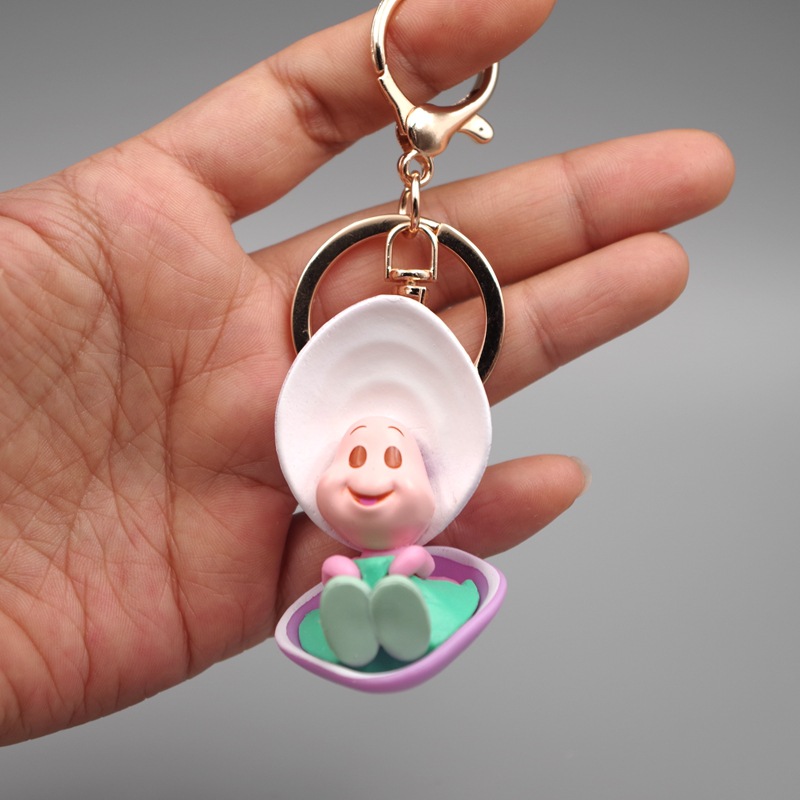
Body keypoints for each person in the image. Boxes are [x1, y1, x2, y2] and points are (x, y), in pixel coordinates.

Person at [0, 0, 734, 744]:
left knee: (408, 589)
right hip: (361, 574)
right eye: (357, 458)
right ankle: (361, 617)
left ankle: (390, 616)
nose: (371, 474)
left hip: (409, 568)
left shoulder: (420, 531)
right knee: (355, 590)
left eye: (386, 459)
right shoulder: (338, 493)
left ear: (434, 473)